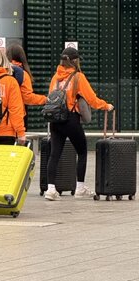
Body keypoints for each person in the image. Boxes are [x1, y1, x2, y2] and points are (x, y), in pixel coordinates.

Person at [44, 47, 114, 201]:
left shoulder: (56, 77)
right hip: (70, 119)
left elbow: (50, 97)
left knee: (54, 153)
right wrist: (106, 106)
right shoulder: (78, 77)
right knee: (82, 151)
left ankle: (50, 189)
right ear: (75, 60)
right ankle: (80, 188)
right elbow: (91, 99)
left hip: (55, 120)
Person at [6, 43, 47, 128]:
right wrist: (45, 99)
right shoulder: (22, 74)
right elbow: (27, 97)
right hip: (15, 116)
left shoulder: (0, 70)